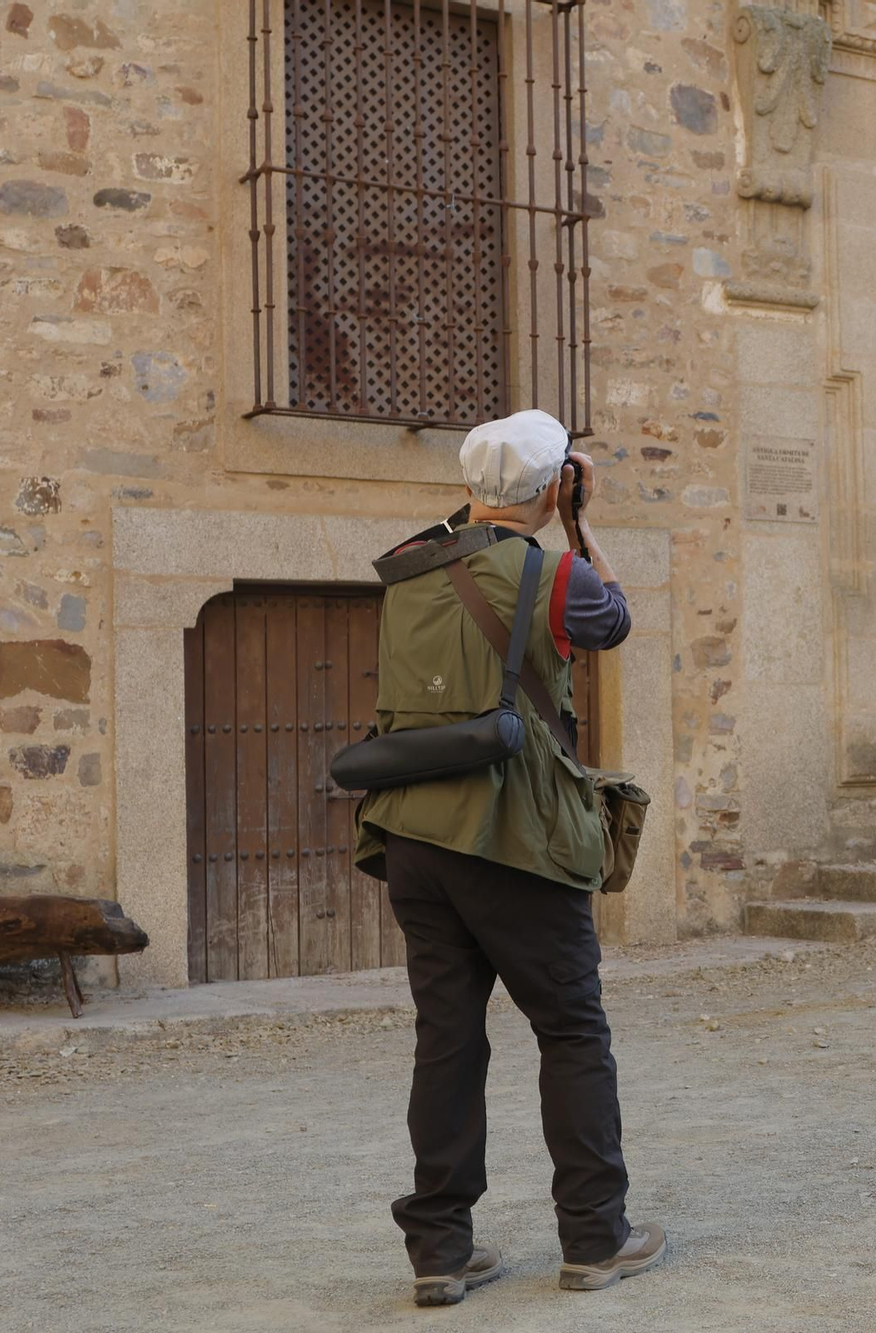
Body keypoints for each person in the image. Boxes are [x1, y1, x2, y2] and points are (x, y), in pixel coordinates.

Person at [352, 409, 667, 1306]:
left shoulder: (409, 565)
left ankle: (440, 1253)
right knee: (571, 1029)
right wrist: (579, 521)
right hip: (516, 834)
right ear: (552, 483)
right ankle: (595, 1239)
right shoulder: (556, 571)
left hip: (413, 833)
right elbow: (617, 620)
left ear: (470, 485)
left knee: (446, 1039)